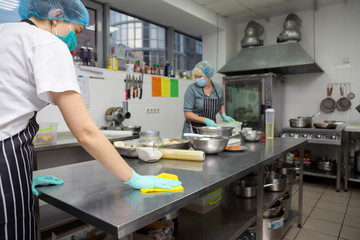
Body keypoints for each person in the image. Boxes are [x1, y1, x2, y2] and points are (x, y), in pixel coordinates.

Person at [0, 1, 180, 239]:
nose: (73, 41)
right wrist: (134, 178)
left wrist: (23, 175)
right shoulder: (48, 43)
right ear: (57, 16)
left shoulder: (6, 32)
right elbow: (85, 132)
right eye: (75, 31)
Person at [182, 60, 235, 137]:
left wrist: (223, 114)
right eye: (195, 77)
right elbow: (187, 114)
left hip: (210, 131)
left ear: (208, 75)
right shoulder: (192, 89)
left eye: (199, 76)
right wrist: (205, 120)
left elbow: (221, 104)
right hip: (193, 131)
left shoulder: (218, 89)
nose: (197, 79)